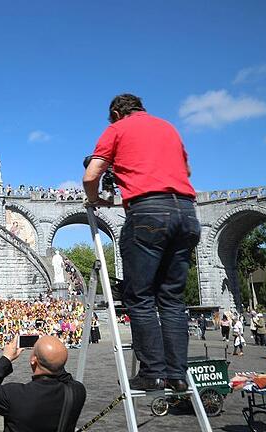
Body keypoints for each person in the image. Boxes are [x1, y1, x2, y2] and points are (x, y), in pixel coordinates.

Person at [83, 94, 199, 392]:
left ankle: (153, 372)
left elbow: (91, 174)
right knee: (172, 299)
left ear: (116, 113)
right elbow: (186, 173)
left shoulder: (118, 129)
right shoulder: (168, 128)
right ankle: (177, 374)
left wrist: (96, 197)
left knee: (140, 296)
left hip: (148, 212)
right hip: (186, 212)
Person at [0, 335, 86, 432]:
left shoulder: (15, 395)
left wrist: (6, 358)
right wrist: (53, 354)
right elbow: (63, 373)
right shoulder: (77, 391)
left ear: (33, 360)